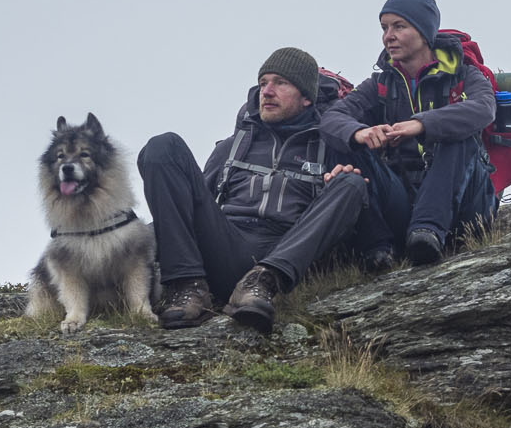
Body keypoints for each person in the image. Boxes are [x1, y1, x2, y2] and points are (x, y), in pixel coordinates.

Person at [138, 47, 367, 332]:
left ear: (307, 97)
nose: (267, 92)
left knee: (352, 183)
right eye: (263, 83)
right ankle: (187, 287)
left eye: (281, 83)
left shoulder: (330, 147)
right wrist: (138, 240)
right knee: (163, 146)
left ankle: (263, 281)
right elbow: (191, 206)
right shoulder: (233, 146)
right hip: (226, 243)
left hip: (285, 251)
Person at [321, 0, 497, 268]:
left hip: (463, 207)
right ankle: (380, 247)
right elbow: (332, 119)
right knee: (345, 142)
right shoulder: (378, 85)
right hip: (403, 200)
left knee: (458, 136)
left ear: (425, 31)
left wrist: (422, 124)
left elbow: (483, 109)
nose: (388, 36)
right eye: (384, 28)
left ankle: (427, 231)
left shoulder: (464, 75)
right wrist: (360, 134)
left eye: (399, 26)